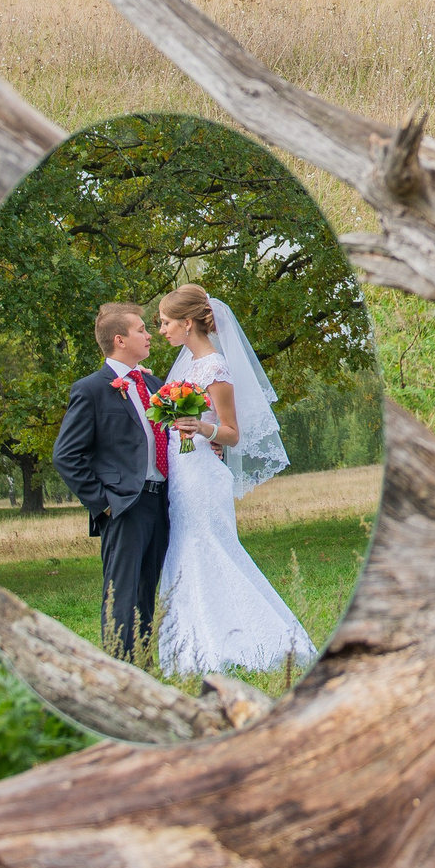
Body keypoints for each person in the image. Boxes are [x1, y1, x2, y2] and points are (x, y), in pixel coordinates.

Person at [150, 284, 317, 678]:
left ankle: (255, 636)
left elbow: (231, 432)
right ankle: (191, 642)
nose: (161, 330)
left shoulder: (215, 367)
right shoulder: (187, 366)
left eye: (165, 323)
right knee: (184, 546)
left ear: (187, 323)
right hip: (181, 471)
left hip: (202, 475)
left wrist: (202, 428)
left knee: (209, 545)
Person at [49, 302, 171, 661]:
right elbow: (66, 455)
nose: (149, 335)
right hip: (123, 505)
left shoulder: (152, 383)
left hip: (159, 500)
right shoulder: (91, 389)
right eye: (140, 330)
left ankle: (144, 665)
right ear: (120, 339)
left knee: (148, 588)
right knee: (122, 593)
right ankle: (119, 666)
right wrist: (104, 504)